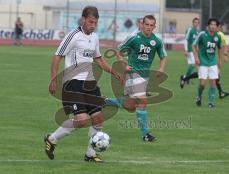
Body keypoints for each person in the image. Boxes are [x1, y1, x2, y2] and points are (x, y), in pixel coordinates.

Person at [44, 6, 122, 162]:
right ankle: (51, 139)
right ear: (83, 19)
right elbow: (57, 56)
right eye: (90, 21)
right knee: (81, 120)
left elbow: (98, 59)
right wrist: (53, 79)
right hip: (72, 84)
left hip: (90, 83)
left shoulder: (95, 37)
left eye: (95, 22)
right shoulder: (73, 36)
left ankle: (90, 154)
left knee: (98, 119)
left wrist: (113, 71)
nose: (93, 25)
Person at [106, 15, 167, 142]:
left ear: (154, 27)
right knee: (143, 102)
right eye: (147, 24)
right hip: (132, 74)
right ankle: (146, 134)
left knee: (131, 106)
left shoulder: (157, 41)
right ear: (142, 24)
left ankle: (107, 102)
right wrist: (124, 65)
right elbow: (120, 52)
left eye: (151, 25)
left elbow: (163, 55)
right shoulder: (134, 38)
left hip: (144, 77)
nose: (149, 27)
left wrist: (161, 68)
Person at [193, 18, 222, 108]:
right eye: (211, 24)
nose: (213, 26)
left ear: (217, 27)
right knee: (202, 83)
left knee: (213, 82)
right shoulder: (202, 34)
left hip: (213, 62)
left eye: (215, 25)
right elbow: (194, 45)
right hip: (203, 62)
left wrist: (220, 61)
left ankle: (211, 102)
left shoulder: (218, 36)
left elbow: (220, 48)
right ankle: (199, 96)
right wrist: (196, 58)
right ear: (208, 26)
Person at [180, 17, 200, 88]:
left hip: (195, 51)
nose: (196, 24)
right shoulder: (190, 30)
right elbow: (186, 40)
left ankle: (185, 78)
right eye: (195, 22)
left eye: (197, 22)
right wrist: (185, 50)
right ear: (193, 23)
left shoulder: (197, 31)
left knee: (194, 65)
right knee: (193, 64)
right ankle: (185, 78)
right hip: (190, 50)